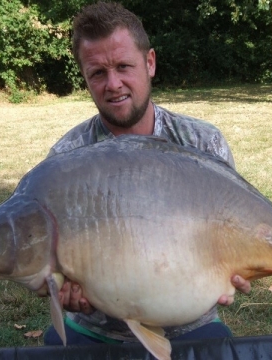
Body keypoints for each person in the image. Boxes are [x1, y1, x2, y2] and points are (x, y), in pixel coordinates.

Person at [44, 1, 250, 348]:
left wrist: (242, 266)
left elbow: (232, 229)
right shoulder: (66, 158)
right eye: (97, 73)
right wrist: (61, 289)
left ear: (149, 63)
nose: (113, 84)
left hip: (188, 323)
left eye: (124, 66)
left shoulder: (203, 142)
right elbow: (45, 262)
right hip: (95, 329)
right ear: (85, 78)